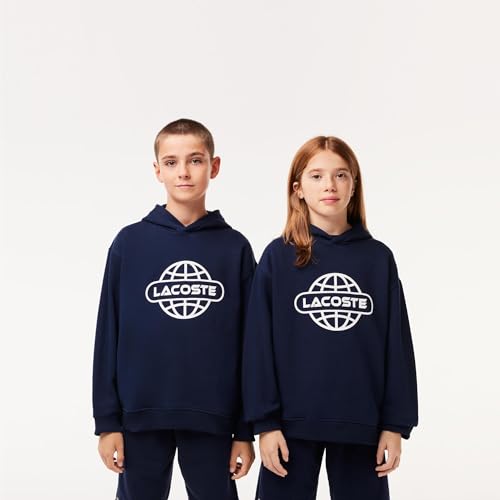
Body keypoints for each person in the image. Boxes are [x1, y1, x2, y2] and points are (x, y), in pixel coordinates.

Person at [242, 135, 418, 500]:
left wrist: (394, 424)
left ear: (354, 185)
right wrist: (265, 423)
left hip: (361, 423)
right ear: (298, 189)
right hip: (290, 426)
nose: (330, 185)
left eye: (340, 175)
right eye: (317, 176)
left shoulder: (377, 259)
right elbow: (258, 345)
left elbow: (396, 345)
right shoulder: (278, 257)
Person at [92, 118, 255, 500]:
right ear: (157, 170)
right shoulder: (129, 244)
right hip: (141, 415)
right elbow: (108, 334)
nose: (183, 172)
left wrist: (245, 430)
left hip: (213, 415)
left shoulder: (235, 248)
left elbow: (252, 346)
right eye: (171, 162)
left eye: (195, 160)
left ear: (214, 166)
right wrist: (107, 422)